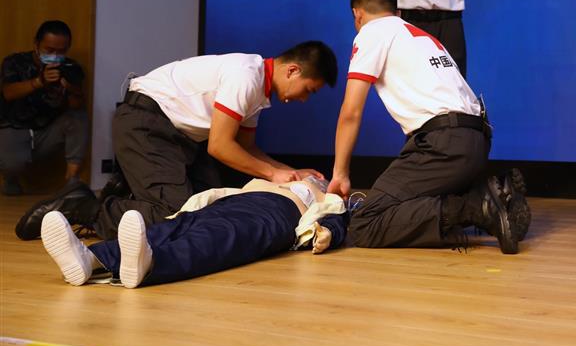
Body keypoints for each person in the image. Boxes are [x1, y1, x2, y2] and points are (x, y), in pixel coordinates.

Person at [16, 41, 338, 241]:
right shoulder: (246, 75)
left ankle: (126, 190)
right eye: (309, 89)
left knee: (207, 208)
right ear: (293, 71)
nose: (305, 99)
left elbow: (248, 149)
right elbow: (220, 147)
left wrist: (293, 172)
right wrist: (272, 174)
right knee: (173, 215)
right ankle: (83, 206)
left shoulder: (257, 90)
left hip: (175, 138)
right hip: (147, 125)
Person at [328, 0, 529, 253]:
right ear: (398, 12)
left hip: (443, 144)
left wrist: (340, 173)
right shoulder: (422, 37)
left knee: (365, 222)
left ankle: (478, 207)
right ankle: (492, 193)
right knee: (415, 203)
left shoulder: (371, 32)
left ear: (357, 14)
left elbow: (351, 111)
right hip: (477, 139)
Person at [39, 175, 347, 288]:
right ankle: (90, 258)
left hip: (274, 215)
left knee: (218, 239)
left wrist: (329, 232)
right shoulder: (270, 180)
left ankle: (153, 264)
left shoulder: (323, 197)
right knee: (172, 226)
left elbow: (339, 218)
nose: (312, 177)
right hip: (231, 202)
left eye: (317, 177)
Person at [1, 20, 89, 195]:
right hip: (14, 127)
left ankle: (72, 183)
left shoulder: (70, 68)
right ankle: (11, 178)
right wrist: (39, 82)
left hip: (48, 131)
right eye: (49, 50)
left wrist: (72, 89)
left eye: (61, 51)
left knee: (78, 117)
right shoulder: (15, 62)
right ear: (36, 44)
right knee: (13, 164)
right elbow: (8, 93)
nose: (55, 55)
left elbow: (76, 105)